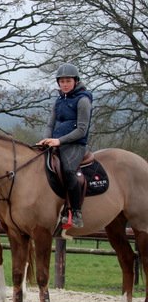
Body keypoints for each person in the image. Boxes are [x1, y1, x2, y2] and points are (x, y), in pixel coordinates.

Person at [37, 63, 93, 229]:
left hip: (75, 144)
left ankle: (76, 211)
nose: (65, 84)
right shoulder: (59, 100)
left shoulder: (83, 100)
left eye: (68, 81)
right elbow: (50, 124)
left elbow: (82, 130)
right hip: (55, 142)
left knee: (68, 170)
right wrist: (45, 139)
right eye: (61, 81)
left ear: (75, 81)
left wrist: (59, 141)